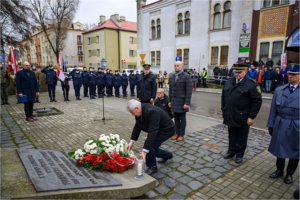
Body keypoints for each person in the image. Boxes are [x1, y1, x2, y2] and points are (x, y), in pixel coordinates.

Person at [221, 64, 262, 164]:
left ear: (245, 71)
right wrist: (224, 110)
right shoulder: (229, 82)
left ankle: (239, 155)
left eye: (239, 72)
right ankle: (231, 151)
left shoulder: (252, 84)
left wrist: (251, 117)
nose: (237, 74)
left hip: (243, 116)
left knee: (242, 137)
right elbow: (223, 97)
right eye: (236, 72)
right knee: (232, 135)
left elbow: (257, 101)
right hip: (230, 114)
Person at [267, 63, 299, 184]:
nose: (290, 76)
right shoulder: (280, 90)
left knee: (295, 150)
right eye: (289, 74)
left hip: (297, 124)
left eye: (294, 74)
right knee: (279, 148)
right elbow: (273, 109)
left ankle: (290, 173)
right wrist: (271, 124)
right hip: (281, 122)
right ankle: (279, 170)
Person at [126, 99, 174, 175]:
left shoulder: (152, 111)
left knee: (150, 146)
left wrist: (144, 152)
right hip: (158, 129)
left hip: (166, 130)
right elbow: (137, 127)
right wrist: (132, 141)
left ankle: (152, 167)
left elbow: (152, 132)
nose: (132, 115)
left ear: (137, 108)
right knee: (151, 147)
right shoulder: (139, 111)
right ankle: (167, 155)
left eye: (132, 112)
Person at [168, 61, 192, 142]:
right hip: (174, 101)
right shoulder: (171, 76)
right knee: (176, 119)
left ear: (182, 66)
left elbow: (189, 91)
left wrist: (187, 103)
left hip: (182, 102)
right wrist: (169, 101)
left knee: (182, 118)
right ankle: (177, 133)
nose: (176, 67)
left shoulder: (186, 76)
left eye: (177, 66)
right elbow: (170, 90)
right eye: (175, 65)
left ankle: (182, 134)